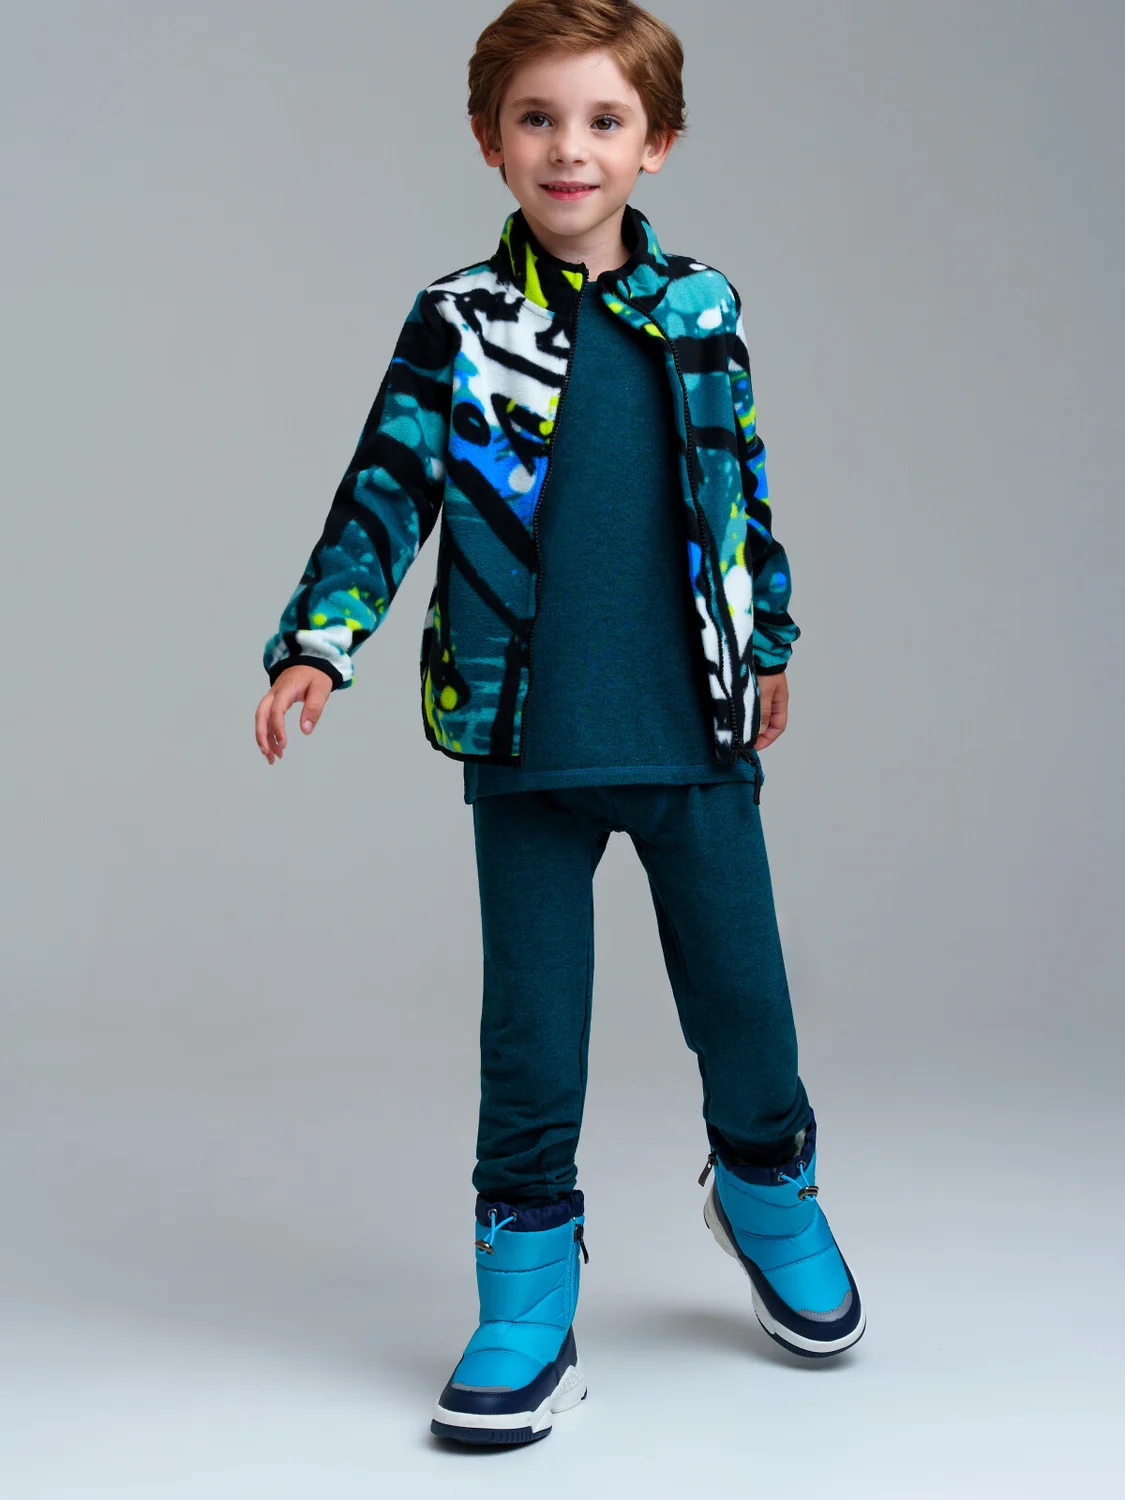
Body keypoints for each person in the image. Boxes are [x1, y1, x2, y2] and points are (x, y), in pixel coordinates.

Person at [255, 0, 864, 1449]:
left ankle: (765, 1189)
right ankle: (526, 1290)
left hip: (691, 723)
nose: (569, 148)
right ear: (490, 140)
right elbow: (385, 489)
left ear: (658, 145)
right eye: (537, 118)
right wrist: (320, 645)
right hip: (524, 733)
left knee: (745, 1002)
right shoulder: (458, 319)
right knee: (531, 1033)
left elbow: (742, 483)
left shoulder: (702, 308)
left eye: (603, 121)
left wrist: (771, 637)